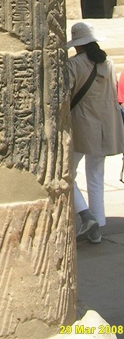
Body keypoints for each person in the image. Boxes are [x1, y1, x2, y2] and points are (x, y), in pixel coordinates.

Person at [68, 22, 124, 243]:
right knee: (96, 176)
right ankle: (97, 226)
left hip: (82, 125)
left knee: (67, 174)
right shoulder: (108, 63)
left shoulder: (75, 64)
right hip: (105, 126)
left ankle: (86, 215)